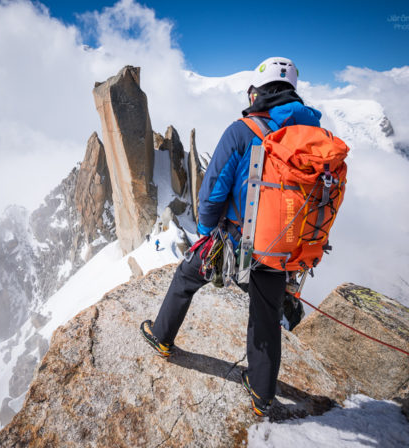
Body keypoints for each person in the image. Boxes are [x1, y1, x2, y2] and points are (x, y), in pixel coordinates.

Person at [140, 57, 323, 417]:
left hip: (236, 239)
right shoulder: (313, 136)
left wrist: (206, 236)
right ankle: (261, 393)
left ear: (260, 92)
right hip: (282, 246)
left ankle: (161, 337)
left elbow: (211, 193)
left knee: (185, 278)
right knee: (266, 314)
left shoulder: (243, 131)